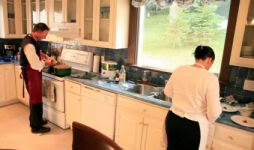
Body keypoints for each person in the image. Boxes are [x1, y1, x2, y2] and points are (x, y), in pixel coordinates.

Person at [162, 46, 222, 150]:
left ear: (196, 57)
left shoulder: (179, 70)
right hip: (193, 125)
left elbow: (167, 91)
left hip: (173, 119)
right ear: (209, 59)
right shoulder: (210, 78)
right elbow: (214, 113)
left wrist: (182, 100)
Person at [20, 23, 53, 133]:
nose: (45, 37)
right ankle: (36, 127)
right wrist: (47, 62)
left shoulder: (30, 37)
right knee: (36, 99)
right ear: (37, 33)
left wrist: (45, 55)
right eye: (44, 35)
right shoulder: (29, 44)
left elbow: (36, 53)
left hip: (33, 73)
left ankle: (36, 119)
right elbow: (36, 65)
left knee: (35, 98)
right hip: (31, 73)